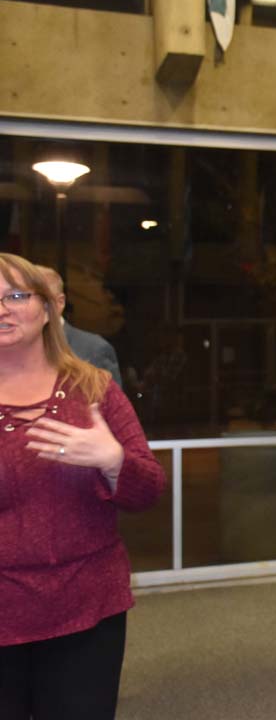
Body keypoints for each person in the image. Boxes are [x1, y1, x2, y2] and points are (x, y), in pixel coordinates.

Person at [0, 253, 165, 719]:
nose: (2, 309)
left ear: (50, 308)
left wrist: (113, 462)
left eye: (15, 296)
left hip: (87, 607)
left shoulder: (95, 389)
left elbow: (148, 489)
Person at [35, 266, 122, 388]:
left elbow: (111, 405)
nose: (31, 306)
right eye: (20, 298)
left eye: (41, 299)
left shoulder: (93, 349)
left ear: (60, 303)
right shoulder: (11, 345)